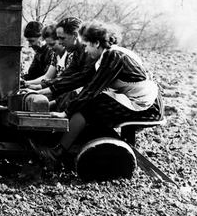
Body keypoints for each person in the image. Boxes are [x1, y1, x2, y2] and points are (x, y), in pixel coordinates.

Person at [35, 22, 163, 161]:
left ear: (96, 43)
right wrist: (46, 90)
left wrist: (66, 112)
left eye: (87, 45)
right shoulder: (104, 56)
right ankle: (68, 142)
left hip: (146, 105)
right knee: (83, 101)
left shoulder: (113, 56)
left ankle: (59, 152)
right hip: (131, 98)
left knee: (86, 107)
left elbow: (93, 88)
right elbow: (80, 78)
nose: (85, 51)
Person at [30, 17, 95, 110]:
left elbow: (79, 79)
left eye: (62, 38)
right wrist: (39, 87)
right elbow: (65, 76)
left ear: (75, 35)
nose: (60, 42)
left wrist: (40, 91)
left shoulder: (90, 53)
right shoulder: (77, 52)